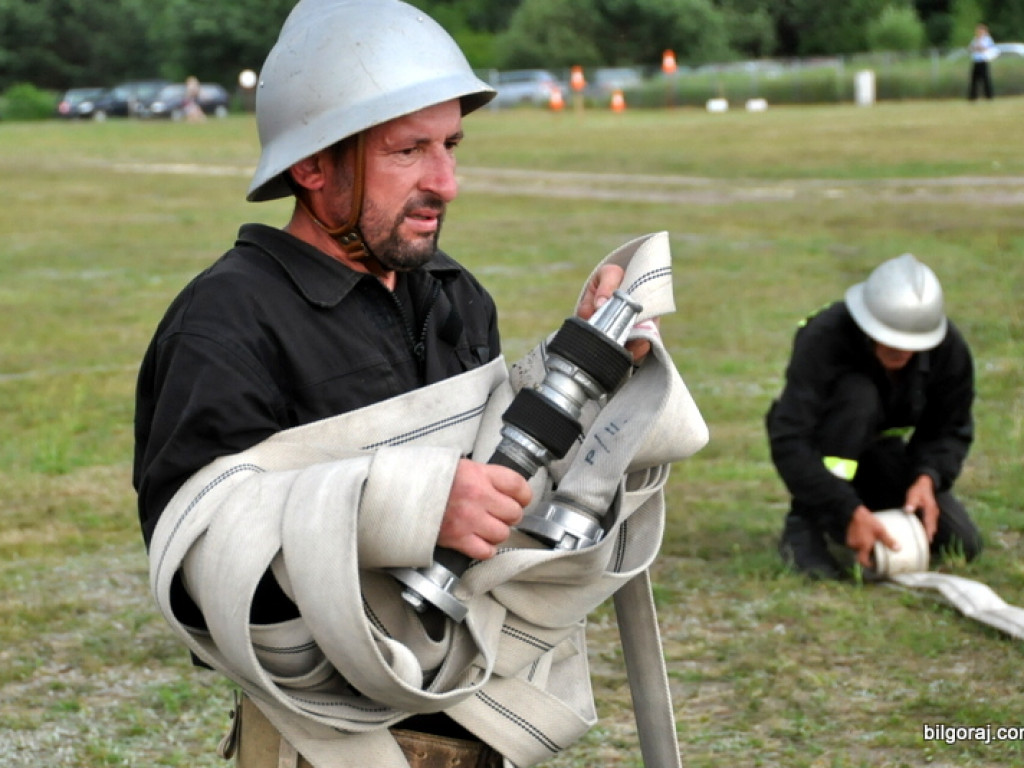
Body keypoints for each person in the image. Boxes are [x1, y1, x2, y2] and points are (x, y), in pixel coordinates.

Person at [133, 1, 705, 766]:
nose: (447, 182)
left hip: (489, 725)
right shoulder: (226, 323)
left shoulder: (452, 295)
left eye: (451, 145)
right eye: (409, 151)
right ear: (313, 166)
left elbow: (502, 478)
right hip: (324, 745)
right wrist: (405, 508)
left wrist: (587, 360)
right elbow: (204, 571)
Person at [765, 253, 982, 581]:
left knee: (962, 543)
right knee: (858, 395)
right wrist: (845, 507)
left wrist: (927, 478)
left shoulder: (949, 350)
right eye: (890, 337)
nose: (900, 350)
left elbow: (950, 428)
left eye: (912, 343)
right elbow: (790, 437)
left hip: (883, 454)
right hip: (828, 456)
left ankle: (869, 510)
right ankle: (806, 522)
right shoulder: (824, 336)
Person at [967, 23, 996, 101]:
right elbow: (970, 48)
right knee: (974, 79)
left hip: (983, 60)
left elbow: (988, 48)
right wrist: (974, 47)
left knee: (985, 79)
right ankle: (973, 96)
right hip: (976, 61)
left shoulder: (987, 39)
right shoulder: (975, 39)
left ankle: (989, 96)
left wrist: (980, 47)